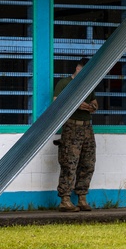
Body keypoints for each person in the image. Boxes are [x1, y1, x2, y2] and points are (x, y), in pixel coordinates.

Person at [53, 57, 99, 212]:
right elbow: (56, 102)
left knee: (88, 163)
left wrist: (91, 107)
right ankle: (65, 199)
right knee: (69, 163)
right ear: (78, 68)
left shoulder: (88, 84)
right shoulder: (64, 83)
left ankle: (82, 198)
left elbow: (95, 103)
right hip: (71, 126)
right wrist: (76, 104)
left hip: (87, 127)